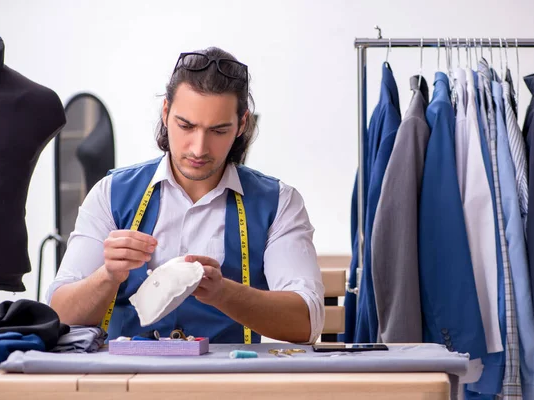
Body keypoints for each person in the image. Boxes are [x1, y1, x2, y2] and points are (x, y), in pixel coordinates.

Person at [47, 47, 325, 344]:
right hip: (128, 383)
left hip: (227, 384)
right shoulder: (110, 194)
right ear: (165, 113)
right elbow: (59, 316)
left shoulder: (279, 203)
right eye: (186, 126)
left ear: (242, 125)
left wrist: (223, 293)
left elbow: (306, 323)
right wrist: (108, 276)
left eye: (218, 131)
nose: (199, 148)